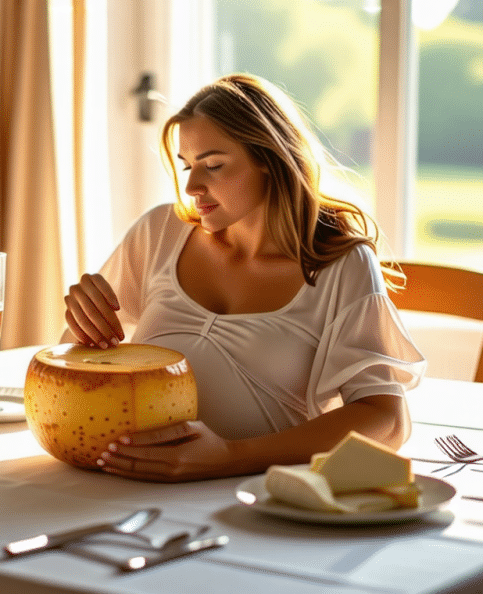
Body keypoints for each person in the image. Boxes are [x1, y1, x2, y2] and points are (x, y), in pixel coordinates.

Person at [61, 73, 426, 483]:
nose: (192, 186)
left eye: (213, 165)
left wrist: (231, 457)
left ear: (269, 160)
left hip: (258, 497)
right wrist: (83, 326)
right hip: (129, 484)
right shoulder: (159, 232)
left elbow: (387, 421)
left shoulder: (340, 264)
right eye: (187, 166)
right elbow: (77, 373)